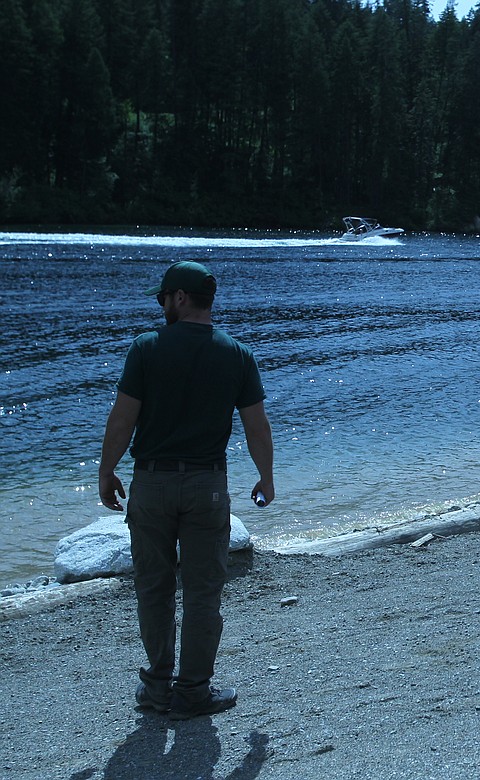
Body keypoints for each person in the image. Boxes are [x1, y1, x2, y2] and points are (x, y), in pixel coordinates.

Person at [98, 260, 275, 720]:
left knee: (153, 587)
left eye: (163, 299)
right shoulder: (236, 354)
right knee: (202, 592)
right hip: (206, 485)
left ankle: (157, 689)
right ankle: (193, 691)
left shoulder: (146, 349)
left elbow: (122, 420)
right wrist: (266, 478)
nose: (162, 307)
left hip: (152, 484)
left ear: (178, 298)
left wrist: (106, 470)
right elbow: (256, 428)